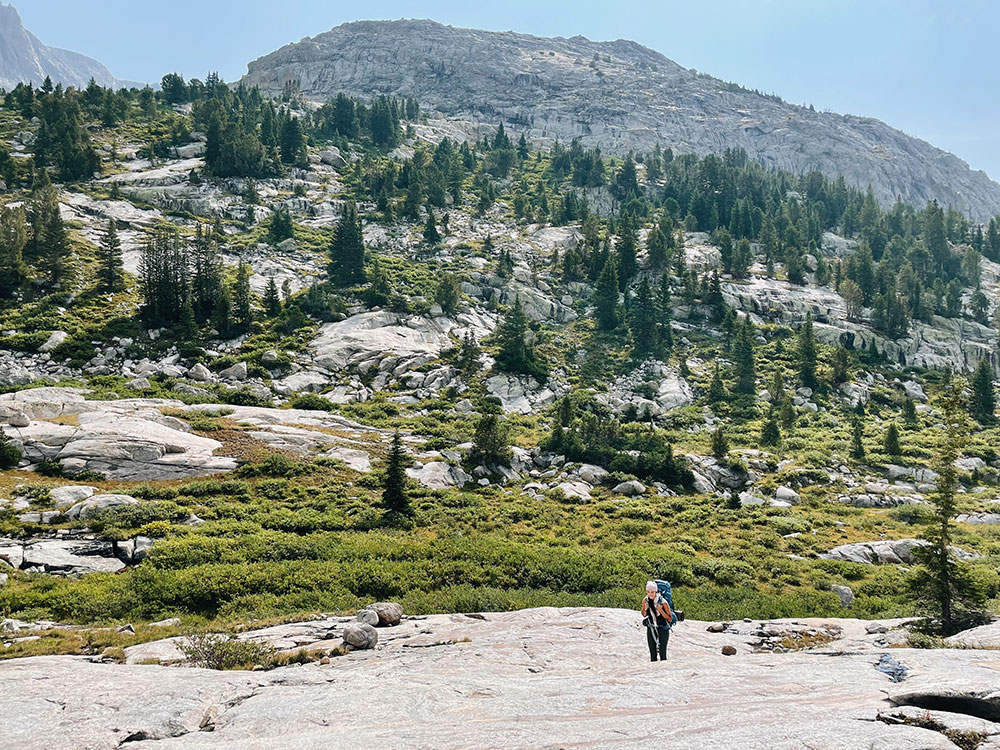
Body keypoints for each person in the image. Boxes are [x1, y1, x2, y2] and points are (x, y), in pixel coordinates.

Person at [641, 580, 673, 661]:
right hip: (651, 626)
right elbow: (644, 614)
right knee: (652, 653)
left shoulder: (663, 602)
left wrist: (660, 610)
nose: (650, 594)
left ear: (655, 591)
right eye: (648, 592)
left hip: (663, 627)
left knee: (662, 653)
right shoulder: (645, 600)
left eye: (652, 592)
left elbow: (669, 618)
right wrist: (645, 608)